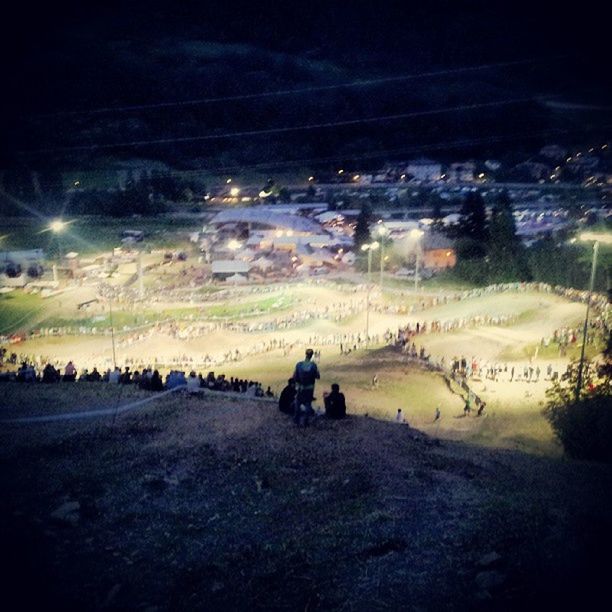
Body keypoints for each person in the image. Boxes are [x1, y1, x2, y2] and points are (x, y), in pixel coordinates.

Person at [292, 348, 320, 426]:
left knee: (298, 402)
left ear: (305, 354)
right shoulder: (313, 365)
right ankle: (305, 421)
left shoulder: (299, 364)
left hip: (300, 387)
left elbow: (294, 377)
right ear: (312, 355)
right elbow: (317, 376)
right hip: (309, 388)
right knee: (308, 404)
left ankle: (296, 419)